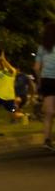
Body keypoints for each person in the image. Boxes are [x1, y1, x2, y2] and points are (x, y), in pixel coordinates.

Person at [0, 52, 28, 129]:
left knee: (14, 113)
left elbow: (10, 68)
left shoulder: (11, 71)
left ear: (3, 63)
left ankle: (23, 115)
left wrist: (3, 59)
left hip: (9, 98)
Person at [34, 22, 55, 150]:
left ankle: (46, 140)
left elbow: (36, 67)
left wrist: (39, 81)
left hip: (47, 80)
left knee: (49, 113)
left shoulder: (42, 48)